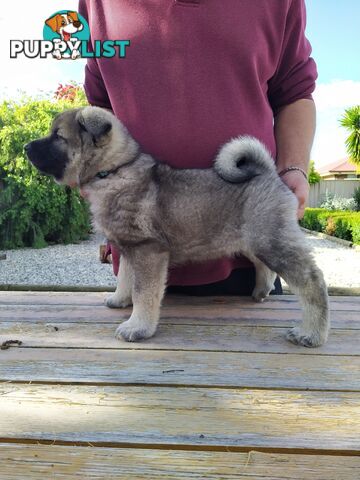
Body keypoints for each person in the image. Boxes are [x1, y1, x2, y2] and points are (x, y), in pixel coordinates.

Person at [78, 0, 317, 296]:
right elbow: (99, 100)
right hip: (139, 259)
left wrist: (293, 167)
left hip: (249, 250)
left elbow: (295, 91)